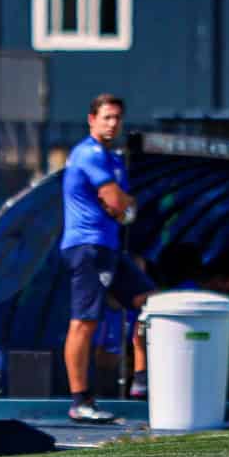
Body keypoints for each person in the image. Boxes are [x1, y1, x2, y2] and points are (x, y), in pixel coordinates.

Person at [60, 94, 155, 423]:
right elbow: (119, 204)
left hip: (109, 247)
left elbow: (127, 208)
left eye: (117, 118)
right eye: (106, 117)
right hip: (87, 246)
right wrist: (121, 205)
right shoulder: (88, 154)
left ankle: (141, 380)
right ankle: (80, 399)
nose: (112, 123)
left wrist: (123, 206)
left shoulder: (113, 159)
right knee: (84, 322)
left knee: (149, 302)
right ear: (92, 119)